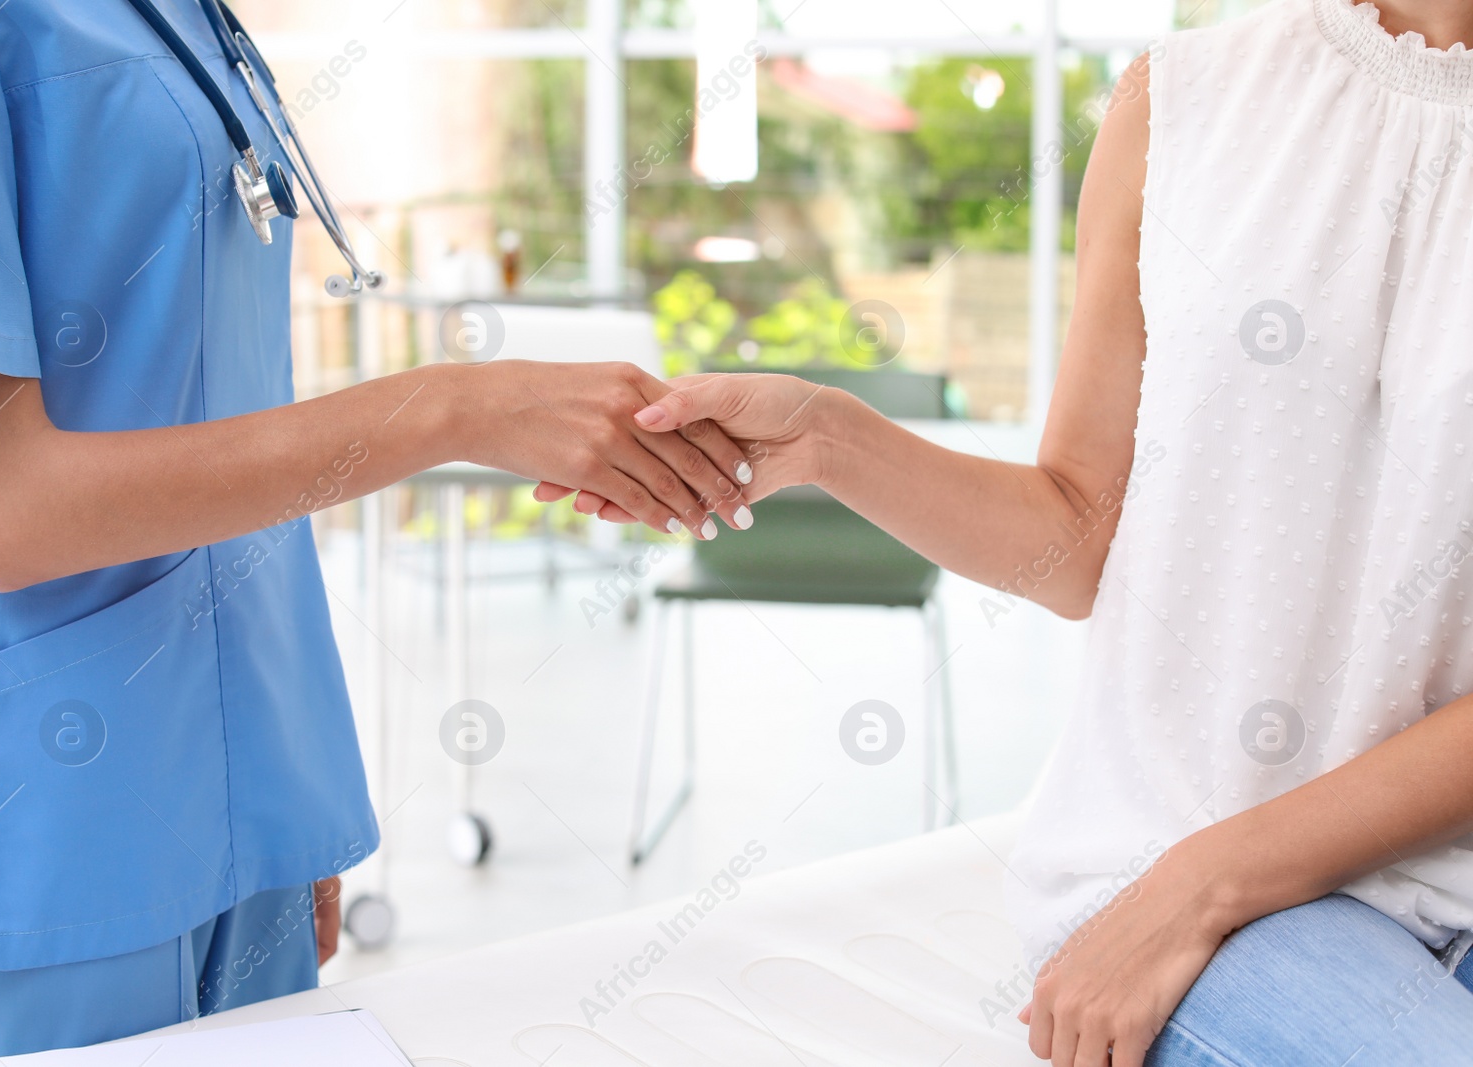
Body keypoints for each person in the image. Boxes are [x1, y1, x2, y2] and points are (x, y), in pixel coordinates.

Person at [547, 0, 1473, 1062]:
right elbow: (1077, 531)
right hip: (1243, 904)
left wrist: (1204, 879)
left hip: (1226, 881)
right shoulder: (1184, 101)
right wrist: (830, 438)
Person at [0, 2, 754, 1064]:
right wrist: (450, 410)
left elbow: (228, 400)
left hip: (243, 786)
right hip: (44, 816)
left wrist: (293, 785)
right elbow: (5, 509)